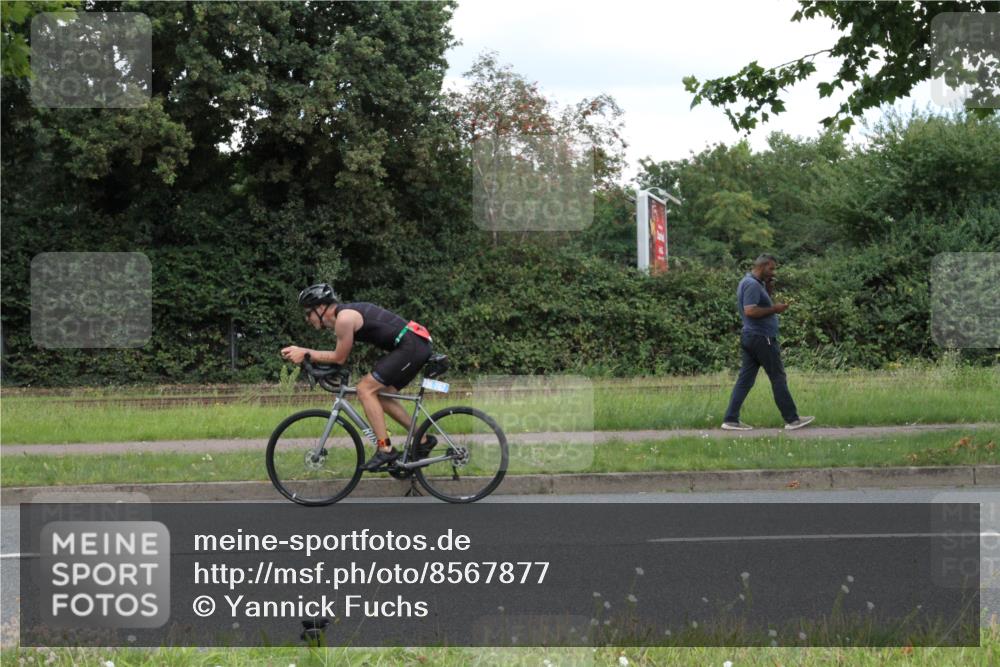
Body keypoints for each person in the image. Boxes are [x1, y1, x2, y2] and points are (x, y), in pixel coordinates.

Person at [280, 284, 437, 470]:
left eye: (308, 313)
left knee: (365, 389)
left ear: (321, 308)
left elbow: (339, 358)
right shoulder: (345, 316)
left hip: (411, 345)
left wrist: (306, 352)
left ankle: (385, 449)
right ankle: (423, 440)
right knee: (380, 395)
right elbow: (339, 358)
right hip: (414, 344)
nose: (307, 319)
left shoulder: (344, 319)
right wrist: (310, 359)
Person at [721, 255, 814, 431]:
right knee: (778, 377)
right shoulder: (751, 284)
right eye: (771, 269)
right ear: (762, 266)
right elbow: (750, 311)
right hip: (762, 338)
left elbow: (759, 302)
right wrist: (775, 309)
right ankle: (792, 419)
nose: (774, 272)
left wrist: (769, 287)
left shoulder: (754, 283)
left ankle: (731, 419)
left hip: (752, 337)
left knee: (745, 380)